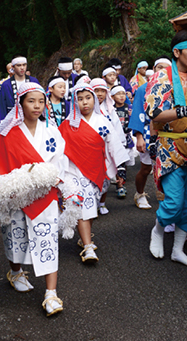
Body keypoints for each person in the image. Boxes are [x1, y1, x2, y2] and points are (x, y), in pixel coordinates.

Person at [0, 82, 67, 316]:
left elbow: (59, 160)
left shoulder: (51, 130)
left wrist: (53, 180)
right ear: (20, 103)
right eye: (31, 101)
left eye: (41, 101)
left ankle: (51, 293)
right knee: (16, 236)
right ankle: (16, 271)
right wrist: (10, 188)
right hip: (17, 197)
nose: (37, 106)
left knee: (48, 241)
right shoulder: (7, 133)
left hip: (45, 195)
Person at [145, 30, 187, 267]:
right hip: (170, 144)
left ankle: (178, 250)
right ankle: (158, 230)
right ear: (176, 52)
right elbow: (155, 114)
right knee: (173, 202)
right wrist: (183, 111)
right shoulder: (161, 77)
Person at [59, 83, 130, 262]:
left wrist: (120, 168)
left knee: (91, 207)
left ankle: (85, 239)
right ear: (74, 102)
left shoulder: (102, 121)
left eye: (88, 98)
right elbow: (59, 151)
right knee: (84, 207)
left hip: (96, 171)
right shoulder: (67, 125)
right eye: (80, 99)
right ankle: (88, 247)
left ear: (94, 99)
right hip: (74, 172)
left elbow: (113, 145)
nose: (84, 103)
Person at [128, 57, 171, 210]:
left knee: (169, 169)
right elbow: (138, 112)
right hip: (147, 132)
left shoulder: (173, 88)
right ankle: (139, 193)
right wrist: (139, 136)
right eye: (159, 67)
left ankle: (168, 199)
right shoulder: (143, 88)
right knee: (146, 168)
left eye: (165, 68)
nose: (162, 71)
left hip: (168, 134)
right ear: (153, 68)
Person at [90, 78, 127, 214]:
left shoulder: (110, 110)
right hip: (91, 149)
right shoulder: (86, 108)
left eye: (102, 91)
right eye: (96, 91)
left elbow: (117, 130)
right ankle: (91, 204)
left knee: (106, 177)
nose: (99, 94)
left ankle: (102, 203)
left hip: (107, 149)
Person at [0, 56, 40, 122]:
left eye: (24, 65)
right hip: (12, 119)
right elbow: (2, 104)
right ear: (13, 67)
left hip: (31, 117)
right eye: (19, 65)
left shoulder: (34, 81)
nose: (22, 68)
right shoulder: (6, 84)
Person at [111, 85, 135, 198]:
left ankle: (122, 182)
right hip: (114, 138)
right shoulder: (110, 109)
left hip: (126, 137)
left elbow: (133, 121)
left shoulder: (129, 107)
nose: (121, 96)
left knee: (123, 161)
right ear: (112, 96)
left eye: (123, 93)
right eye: (118, 94)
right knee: (117, 162)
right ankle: (119, 185)